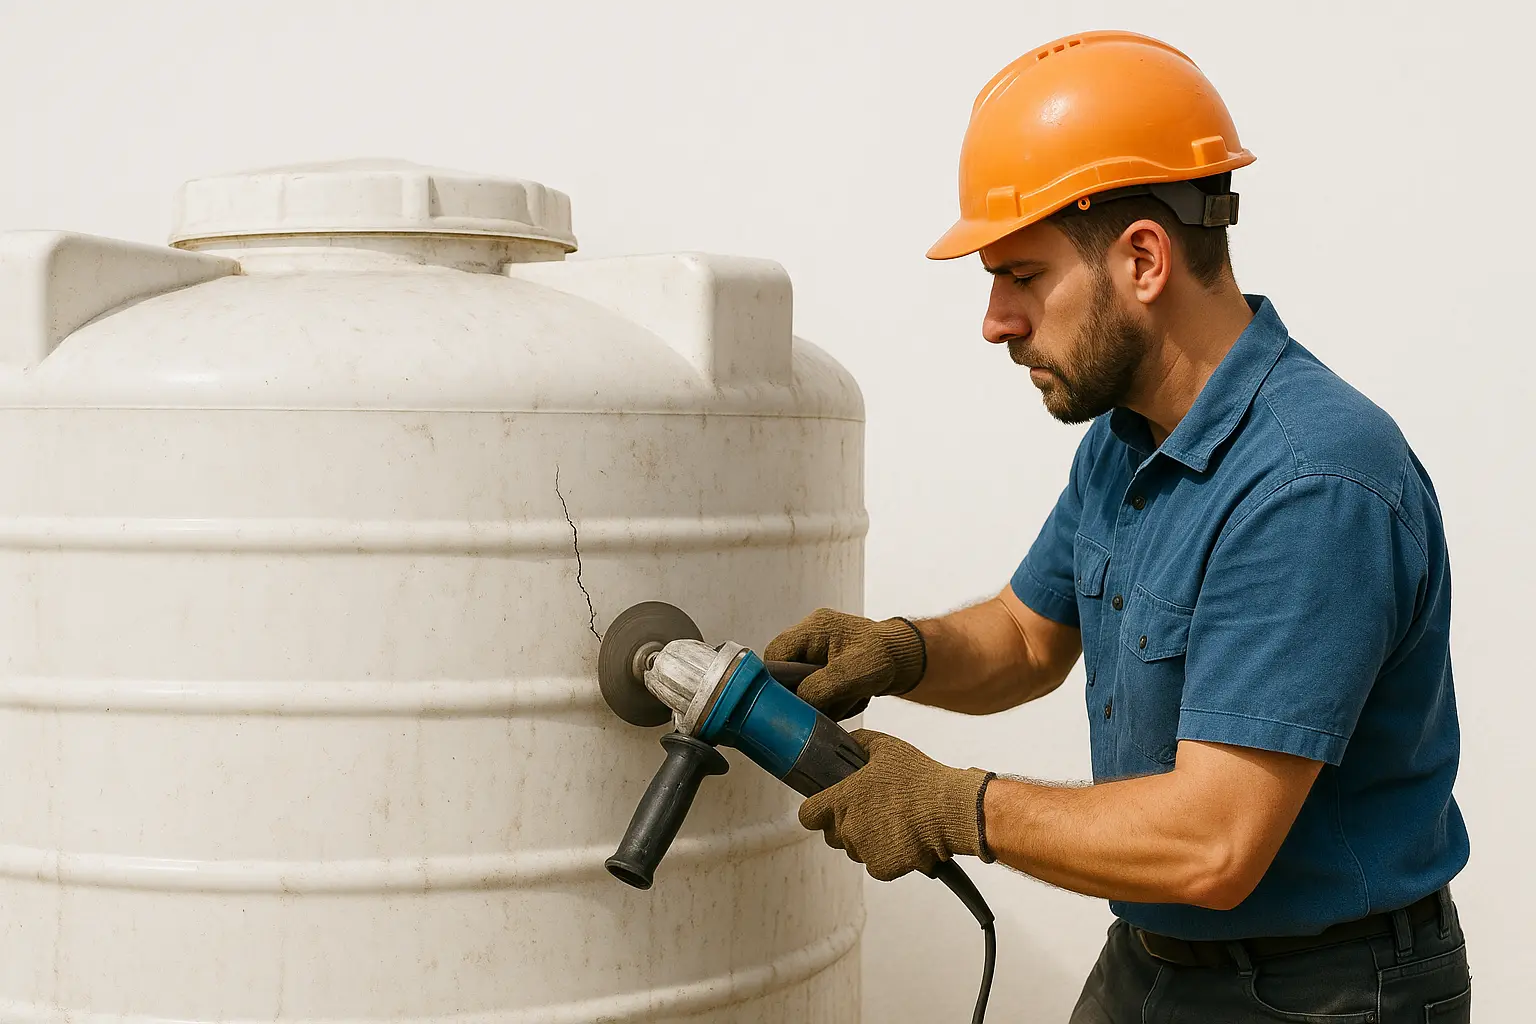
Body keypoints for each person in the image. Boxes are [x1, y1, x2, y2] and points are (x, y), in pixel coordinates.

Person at [766, 30, 1471, 1022]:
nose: (995, 321)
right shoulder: (1130, 436)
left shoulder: (1312, 483)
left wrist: (950, 806)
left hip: (1321, 991)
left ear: (1143, 257)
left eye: (1021, 275)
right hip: (1153, 959)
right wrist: (899, 652)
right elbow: (1024, 635)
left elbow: (1214, 841)